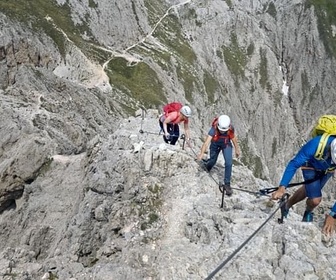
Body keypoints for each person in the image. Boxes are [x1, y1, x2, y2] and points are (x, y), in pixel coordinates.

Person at [271, 136, 336, 236]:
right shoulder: (316, 144)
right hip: (310, 164)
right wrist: (282, 188)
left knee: (311, 189)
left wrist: (333, 215)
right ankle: (300, 209)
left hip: (328, 169)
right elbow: (294, 164)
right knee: (315, 200)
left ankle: (289, 206)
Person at [197, 115, 240, 196]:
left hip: (226, 144)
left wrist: (237, 149)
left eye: (224, 131)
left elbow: (233, 138)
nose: (223, 132)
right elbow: (206, 143)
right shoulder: (213, 130)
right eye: (221, 130)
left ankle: (227, 184)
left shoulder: (230, 129)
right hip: (215, 144)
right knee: (212, 161)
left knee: (229, 163)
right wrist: (201, 154)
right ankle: (207, 165)